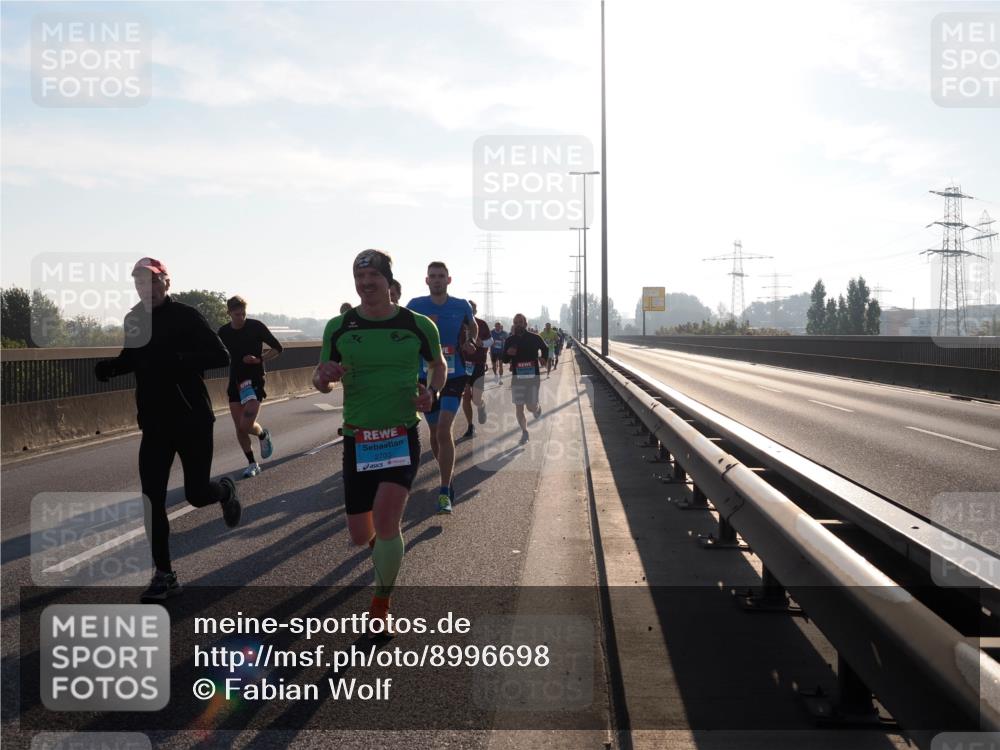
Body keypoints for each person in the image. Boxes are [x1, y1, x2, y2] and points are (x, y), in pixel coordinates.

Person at [94, 257, 242, 603]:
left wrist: (179, 360)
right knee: (151, 500)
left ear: (166, 283)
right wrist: (111, 368)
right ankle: (164, 574)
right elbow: (132, 358)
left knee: (196, 493)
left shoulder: (187, 316)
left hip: (192, 419)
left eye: (153, 283)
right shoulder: (133, 319)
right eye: (140, 284)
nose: (147, 289)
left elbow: (220, 356)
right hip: (155, 422)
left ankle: (223, 491)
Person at [314, 249, 445, 632]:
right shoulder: (339, 327)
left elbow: (438, 364)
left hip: (400, 436)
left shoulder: (417, 324)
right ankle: (385, 556)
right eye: (360, 280)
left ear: (389, 282)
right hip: (358, 439)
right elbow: (321, 380)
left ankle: (380, 606)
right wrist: (324, 378)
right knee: (361, 535)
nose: (366, 286)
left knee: (388, 523)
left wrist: (432, 394)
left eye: (373, 280)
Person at [406, 262, 477, 514]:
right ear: (427, 280)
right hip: (425, 377)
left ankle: (445, 489)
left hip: (454, 374)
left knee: (445, 429)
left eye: (441, 276)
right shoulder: (415, 306)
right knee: (435, 434)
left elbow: (473, 325)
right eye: (433, 276)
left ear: (449, 280)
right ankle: (446, 470)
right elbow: (403, 333)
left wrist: (470, 340)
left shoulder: (460, 305)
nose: (437, 280)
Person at [218, 296, 283, 478]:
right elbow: (213, 351)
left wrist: (259, 360)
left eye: (243, 314)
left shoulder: (256, 327)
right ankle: (252, 463)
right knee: (239, 428)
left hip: (254, 380)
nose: (241, 318)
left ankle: (262, 434)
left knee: (246, 425)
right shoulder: (223, 332)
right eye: (237, 314)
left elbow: (278, 348)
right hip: (235, 382)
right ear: (229, 313)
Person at [502, 313, 549, 444]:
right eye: (516, 322)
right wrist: (507, 353)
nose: (518, 325)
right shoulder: (510, 340)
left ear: (525, 324)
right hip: (517, 378)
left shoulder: (535, 338)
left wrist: (543, 358)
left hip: (533, 377)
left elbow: (545, 348)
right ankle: (525, 432)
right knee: (519, 407)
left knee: (530, 407)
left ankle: (537, 408)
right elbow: (505, 360)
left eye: (520, 322)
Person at [460, 300, 492, 439]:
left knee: (476, 398)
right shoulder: (458, 325)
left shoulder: (482, 324)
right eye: (467, 310)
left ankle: (481, 405)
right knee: (466, 395)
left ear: (475, 311)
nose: (469, 312)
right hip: (463, 365)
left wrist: (482, 343)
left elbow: (491, 341)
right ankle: (470, 426)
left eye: (472, 310)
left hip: (478, 364)